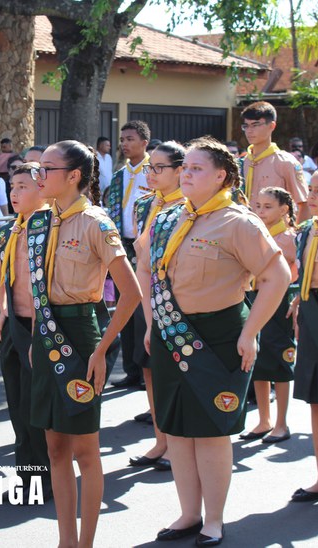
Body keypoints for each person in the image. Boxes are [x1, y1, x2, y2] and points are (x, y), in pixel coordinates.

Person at [137, 137, 290, 545]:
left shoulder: (239, 222)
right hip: (173, 332)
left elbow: (278, 278)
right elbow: (149, 270)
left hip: (221, 336)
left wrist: (250, 332)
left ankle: (214, 520)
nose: (186, 173)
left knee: (210, 431)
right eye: (184, 167)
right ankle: (188, 514)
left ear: (221, 176)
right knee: (179, 430)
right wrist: (153, 324)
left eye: (196, 169)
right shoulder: (169, 218)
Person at [31, 140, 140, 547]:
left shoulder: (97, 223)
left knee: (86, 451)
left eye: (47, 169)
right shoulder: (41, 221)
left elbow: (130, 294)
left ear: (73, 176)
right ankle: (66, 540)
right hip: (47, 334)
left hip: (81, 335)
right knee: (55, 447)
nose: (39, 176)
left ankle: (87, 542)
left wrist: (101, 349)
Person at [0, 162, 52, 501]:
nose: (14, 193)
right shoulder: (9, 229)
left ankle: (46, 479)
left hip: (42, 326)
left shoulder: (53, 225)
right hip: (15, 325)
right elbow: (1, 273)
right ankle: (26, 478)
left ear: (42, 189)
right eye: (11, 186)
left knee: (36, 408)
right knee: (17, 406)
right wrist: (1, 310)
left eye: (23, 186)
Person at [128, 141, 186, 471]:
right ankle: (160, 439)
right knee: (149, 367)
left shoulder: (189, 206)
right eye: (150, 167)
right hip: (146, 294)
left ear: (180, 171)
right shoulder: (144, 205)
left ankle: (177, 445)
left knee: (174, 371)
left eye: (158, 168)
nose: (151, 173)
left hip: (176, 297)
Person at [290, 163, 318, 508]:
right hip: (312, 311)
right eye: (310, 188)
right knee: (317, 400)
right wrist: (298, 298)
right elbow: (306, 272)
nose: (310, 196)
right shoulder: (307, 230)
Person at [240, 187, 297, 444]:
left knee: (280, 363)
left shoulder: (289, 238)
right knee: (258, 362)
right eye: (258, 206)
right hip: (254, 299)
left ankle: (282, 423)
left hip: (279, 303)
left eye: (268, 207)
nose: (261, 211)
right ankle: (264, 420)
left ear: (284, 210)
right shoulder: (255, 234)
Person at [106, 120, 151, 389]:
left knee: (143, 310)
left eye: (130, 139)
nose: (124, 143)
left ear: (144, 142)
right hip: (123, 242)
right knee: (126, 306)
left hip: (143, 244)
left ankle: (146, 366)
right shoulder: (120, 174)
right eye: (122, 139)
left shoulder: (154, 172)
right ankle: (131, 370)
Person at [240, 101, 309, 221]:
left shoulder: (285, 163)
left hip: (277, 234)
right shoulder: (241, 163)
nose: (249, 131)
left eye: (255, 125)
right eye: (246, 126)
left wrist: (296, 236)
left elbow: (304, 204)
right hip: (245, 230)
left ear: (272, 126)